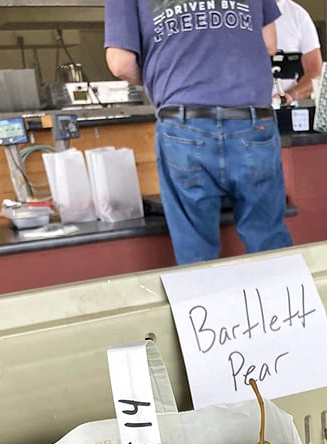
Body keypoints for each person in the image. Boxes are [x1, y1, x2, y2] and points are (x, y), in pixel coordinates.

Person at [104, 0, 293, 265]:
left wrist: (161, 78)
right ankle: (284, 305)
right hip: (251, 122)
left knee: (196, 252)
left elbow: (120, 63)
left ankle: (203, 306)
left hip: (184, 124)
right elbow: (269, 43)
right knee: (269, 242)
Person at [272, 0, 323, 106]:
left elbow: (316, 73)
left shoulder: (298, 15)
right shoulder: (239, 10)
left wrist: (290, 95)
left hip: (284, 109)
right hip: (240, 111)